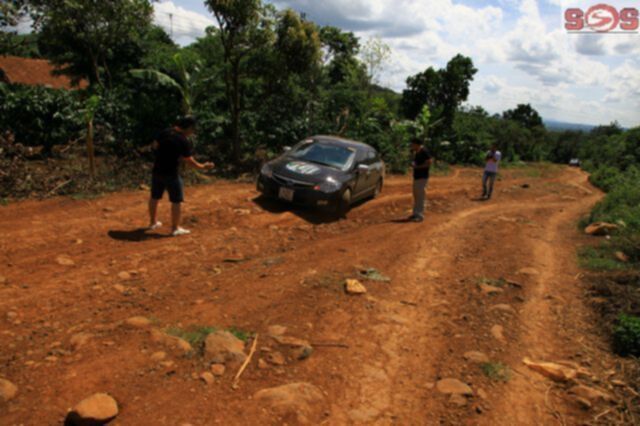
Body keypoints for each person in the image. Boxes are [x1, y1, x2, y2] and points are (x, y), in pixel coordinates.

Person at [148, 116, 214, 236]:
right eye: (193, 129)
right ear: (188, 127)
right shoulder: (182, 140)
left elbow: (154, 145)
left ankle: (153, 222)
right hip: (171, 173)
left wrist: (162, 154)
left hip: (157, 170)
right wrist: (203, 167)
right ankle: (175, 228)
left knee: (154, 197)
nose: (192, 132)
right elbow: (189, 160)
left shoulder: (166, 132)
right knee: (176, 200)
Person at [408, 138, 432, 222]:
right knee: (416, 195)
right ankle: (415, 213)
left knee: (420, 195)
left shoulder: (424, 151)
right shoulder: (417, 152)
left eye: (413, 144)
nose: (411, 146)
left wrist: (417, 167)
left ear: (417, 144)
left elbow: (429, 162)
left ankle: (420, 215)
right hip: (417, 176)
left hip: (422, 176)